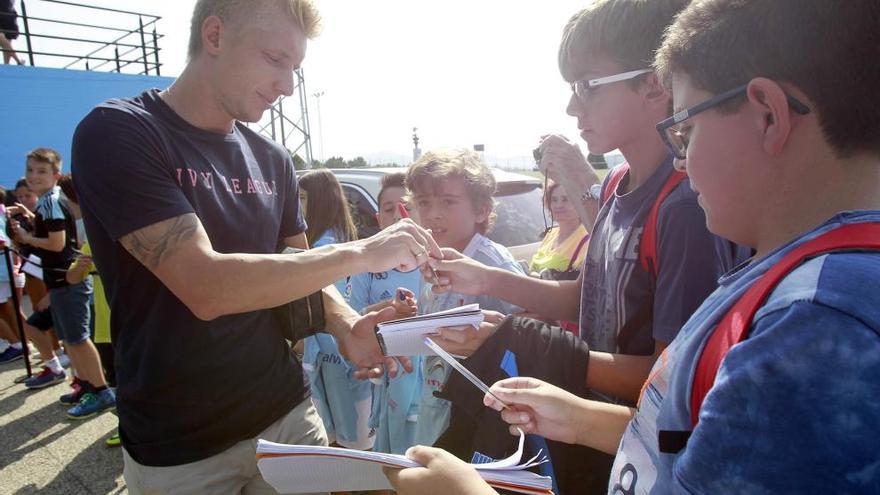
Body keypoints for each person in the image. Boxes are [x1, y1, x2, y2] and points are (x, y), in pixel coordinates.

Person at [387, 0, 880, 493]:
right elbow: (686, 435)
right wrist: (579, 418)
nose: (681, 160)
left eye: (685, 129)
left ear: (768, 116)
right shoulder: (795, 280)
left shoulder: (814, 327)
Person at [71, 0, 439, 492]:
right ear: (215, 36)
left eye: (295, 68)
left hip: (285, 413)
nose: (287, 86)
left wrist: (346, 324)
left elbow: (297, 269)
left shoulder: (273, 157)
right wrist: (363, 251)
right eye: (275, 59)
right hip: (180, 446)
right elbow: (206, 287)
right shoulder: (121, 131)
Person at [413, 0, 745, 488]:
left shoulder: (683, 208)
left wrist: (526, 341)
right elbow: (587, 296)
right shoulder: (614, 185)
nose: (572, 107)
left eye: (588, 86)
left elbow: (668, 381)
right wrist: (484, 277)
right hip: (588, 427)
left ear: (655, 82)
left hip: (638, 446)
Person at [406, 148, 523, 448]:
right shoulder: (431, 258)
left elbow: (530, 332)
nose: (433, 213)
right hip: (436, 403)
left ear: (482, 210)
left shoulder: (492, 264)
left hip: (480, 415)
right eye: (424, 202)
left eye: (448, 202)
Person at [12, 149, 115, 419]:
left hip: (67, 279)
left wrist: (26, 237)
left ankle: (101, 390)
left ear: (56, 175)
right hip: (62, 279)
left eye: (41, 171)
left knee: (78, 340)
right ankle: (86, 385)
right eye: (30, 170)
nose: (34, 176)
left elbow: (57, 244)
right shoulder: (51, 201)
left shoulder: (50, 202)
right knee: (72, 339)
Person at [298, 168, 375, 451]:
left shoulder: (321, 247)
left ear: (319, 202)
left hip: (333, 355)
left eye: (303, 198)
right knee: (360, 436)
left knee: (342, 442)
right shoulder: (345, 239)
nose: (298, 206)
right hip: (348, 351)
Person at [346, 171, 422, 455]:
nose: (397, 215)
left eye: (405, 206)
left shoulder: (438, 265)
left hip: (431, 387)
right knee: (389, 462)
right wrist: (382, 311)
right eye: (388, 209)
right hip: (388, 383)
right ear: (378, 219)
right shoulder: (366, 268)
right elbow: (352, 320)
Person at [528, 181, 588, 278]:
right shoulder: (550, 234)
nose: (558, 205)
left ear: (580, 203)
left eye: (565, 200)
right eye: (554, 200)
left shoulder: (587, 240)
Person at [0, 0, 24, 65]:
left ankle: (6, 65)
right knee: (2, 39)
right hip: (4, 14)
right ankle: (18, 61)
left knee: (6, 44)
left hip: (8, 15)